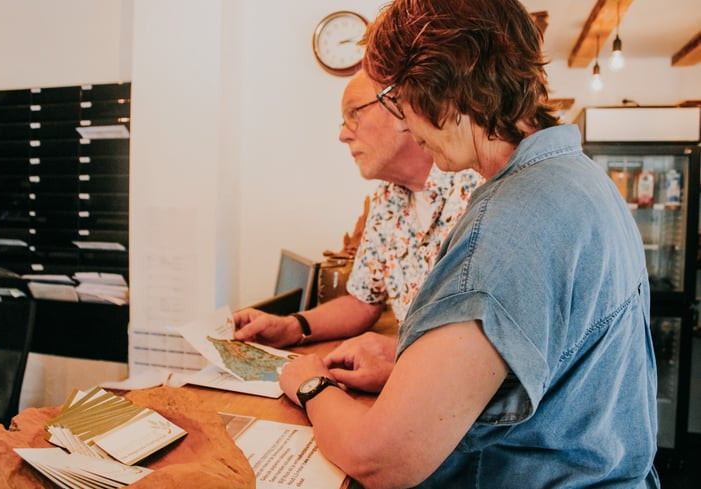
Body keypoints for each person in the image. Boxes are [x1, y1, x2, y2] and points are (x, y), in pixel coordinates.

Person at [278, 1, 660, 488]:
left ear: (439, 86)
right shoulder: (577, 177)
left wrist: (308, 383)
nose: (409, 128)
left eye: (399, 104)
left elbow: (379, 459)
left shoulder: (507, 223)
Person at [233, 70, 482, 353]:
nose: (342, 135)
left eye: (354, 113)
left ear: (402, 106)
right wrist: (291, 327)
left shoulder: (479, 187)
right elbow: (363, 301)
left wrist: (398, 358)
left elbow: (493, 329)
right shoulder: (386, 199)